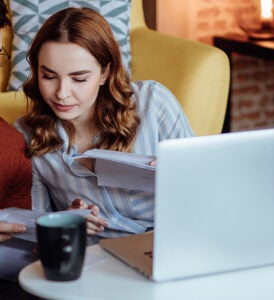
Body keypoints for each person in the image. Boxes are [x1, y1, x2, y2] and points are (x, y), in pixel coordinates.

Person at [16, 7, 194, 237]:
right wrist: (64, 223)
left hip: (170, 240)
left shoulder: (153, 103)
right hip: (95, 257)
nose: (62, 93)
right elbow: (36, 228)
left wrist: (180, 172)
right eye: (48, 76)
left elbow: (207, 187)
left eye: (79, 78)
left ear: (104, 73)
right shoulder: (29, 135)